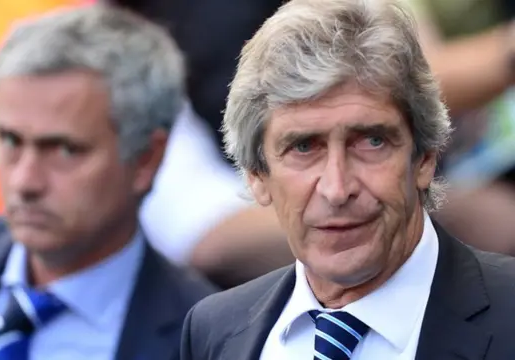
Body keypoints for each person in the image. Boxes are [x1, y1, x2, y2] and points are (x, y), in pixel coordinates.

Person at [180, 0, 515, 359]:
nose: (337, 189)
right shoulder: (212, 331)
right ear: (257, 175)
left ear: (426, 157)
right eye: (304, 147)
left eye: (372, 142)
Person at [0, 4, 217, 360]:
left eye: (63, 150)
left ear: (145, 159)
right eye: (11, 140)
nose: (25, 181)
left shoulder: (206, 337)